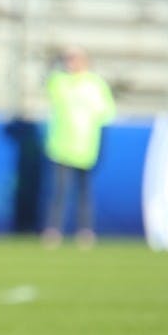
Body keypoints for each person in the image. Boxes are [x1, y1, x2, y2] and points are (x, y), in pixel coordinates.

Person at [41, 46, 115, 249]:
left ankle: (85, 232)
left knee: (84, 193)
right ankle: (53, 231)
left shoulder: (95, 84)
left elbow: (105, 114)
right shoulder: (60, 81)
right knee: (60, 192)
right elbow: (47, 83)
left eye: (75, 58)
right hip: (61, 146)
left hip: (85, 146)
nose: (71, 63)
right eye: (69, 59)